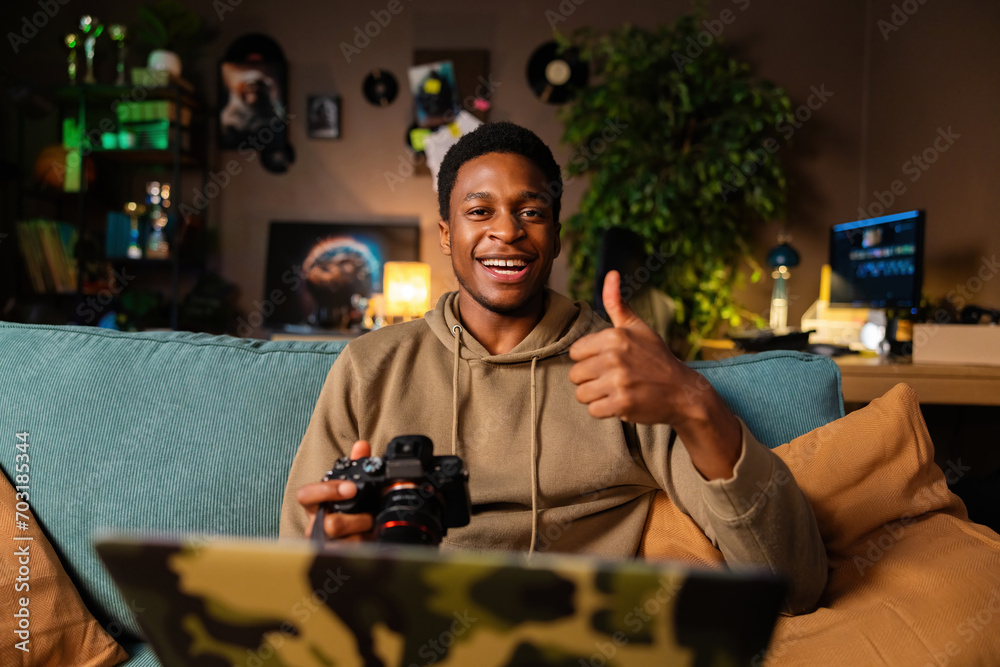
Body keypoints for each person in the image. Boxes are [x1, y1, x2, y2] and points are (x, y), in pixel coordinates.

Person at [279, 122, 827, 612]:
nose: (508, 231)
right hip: (411, 624)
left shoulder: (623, 370)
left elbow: (793, 584)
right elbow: (296, 573)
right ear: (447, 234)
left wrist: (694, 400)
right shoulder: (369, 366)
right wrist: (333, 558)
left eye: (531, 211)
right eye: (478, 211)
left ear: (557, 235)